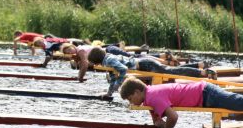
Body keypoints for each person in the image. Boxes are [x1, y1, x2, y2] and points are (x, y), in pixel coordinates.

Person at [120, 76, 243, 128]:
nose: (131, 103)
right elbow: (159, 120)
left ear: (137, 92)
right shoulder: (149, 95)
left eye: (130, 99)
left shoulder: (152, 97)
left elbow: (173, 117)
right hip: (204, 94)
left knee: (238, 103)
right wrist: (158, 123)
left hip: (206, 93)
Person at [87, 46, 216, 97]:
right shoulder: (107, 59)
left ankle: (203, 73)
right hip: (143, 64)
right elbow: (113, 76)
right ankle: (200, 68)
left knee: (173, 72)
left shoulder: (109, 60)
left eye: (93, 62)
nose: (94, 65)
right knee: (173, 70)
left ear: (96, 59)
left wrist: (117, 85)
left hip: (146, 65)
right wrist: (109, 93)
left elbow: (123, 69)